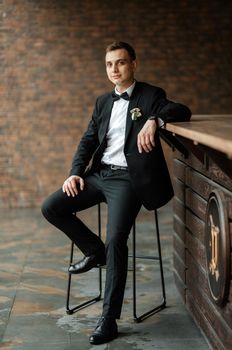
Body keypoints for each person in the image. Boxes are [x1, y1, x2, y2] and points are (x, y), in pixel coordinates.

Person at [41, 41, 191, 345]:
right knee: (51, 207)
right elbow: (87, 140)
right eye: (110, 64)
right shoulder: (102, 101)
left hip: (129, 181)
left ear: (133, 65)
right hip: (99, 175)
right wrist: (74, 173)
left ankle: (108, 319)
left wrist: (155, 120)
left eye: (121, 63)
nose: (115, 70)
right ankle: (94, 252)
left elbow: (181, 110)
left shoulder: (150, 95)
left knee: (117, 241)